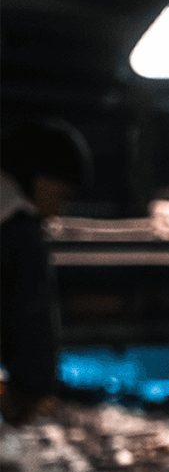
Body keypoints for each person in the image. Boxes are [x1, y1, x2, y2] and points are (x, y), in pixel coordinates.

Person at [1, 118, 91, 424]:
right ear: (41, 181)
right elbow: (30, 319)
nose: (58, 212)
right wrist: (31, 391)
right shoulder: (18, 230)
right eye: (62, 196)